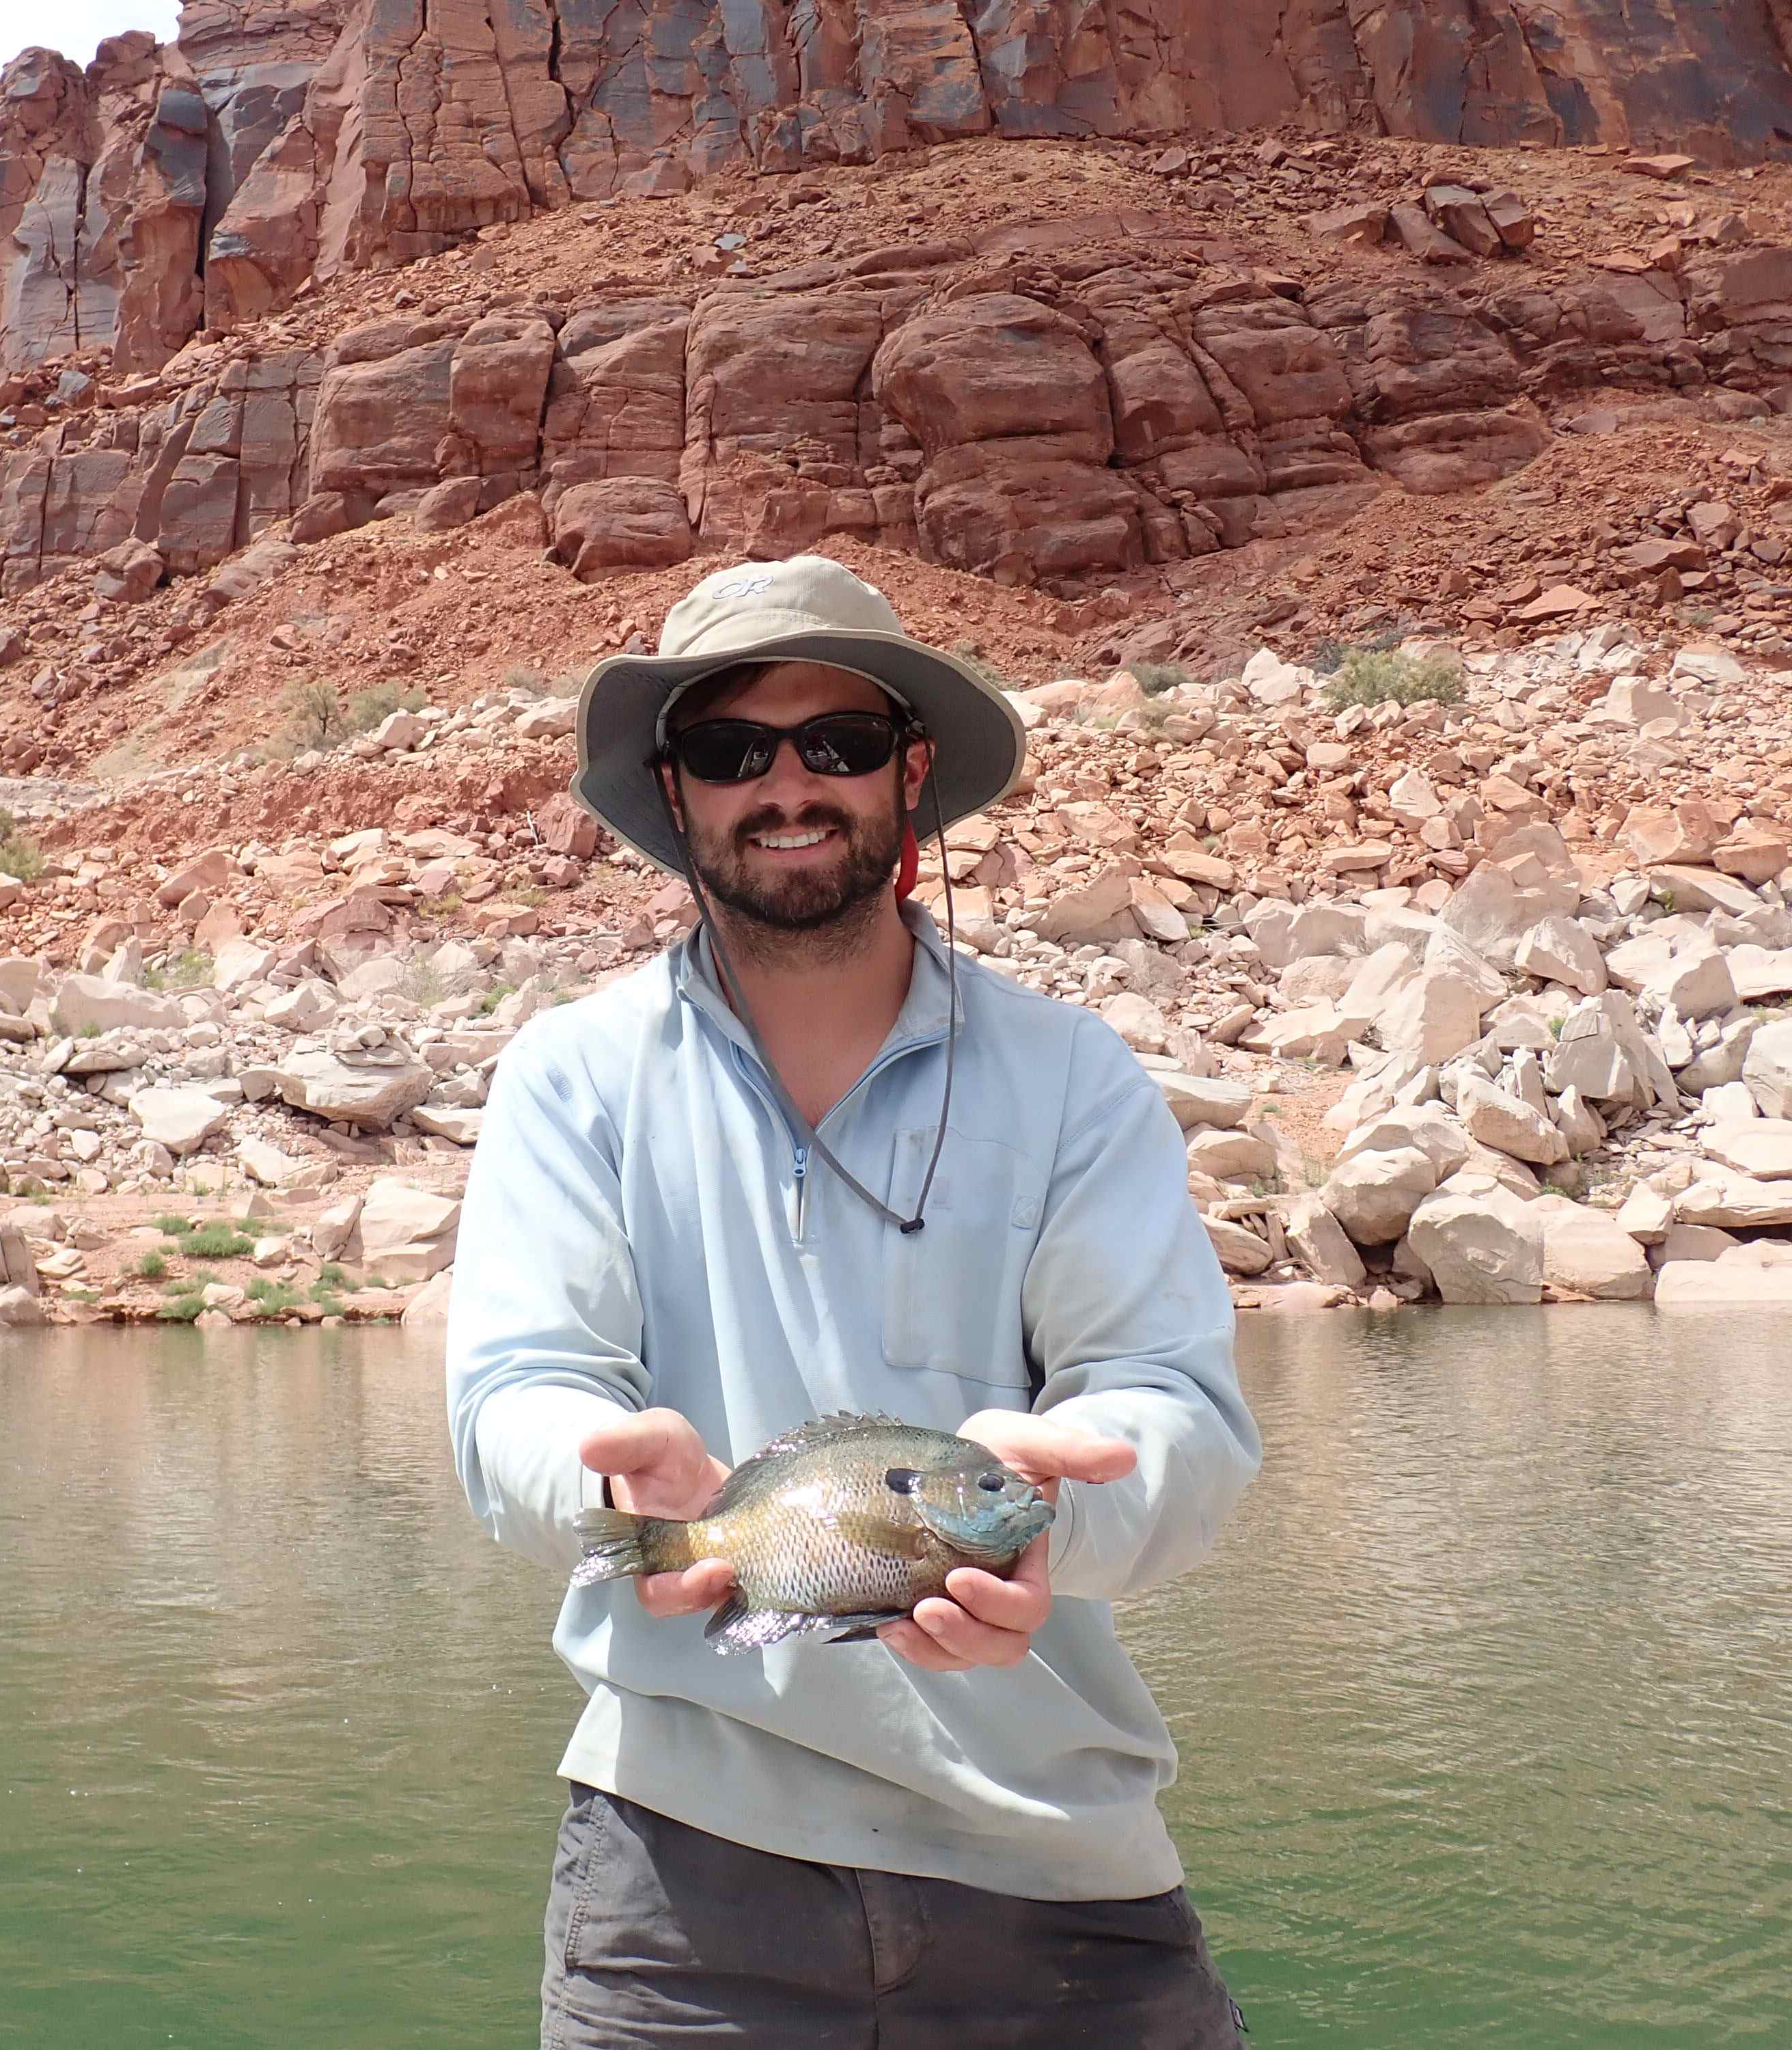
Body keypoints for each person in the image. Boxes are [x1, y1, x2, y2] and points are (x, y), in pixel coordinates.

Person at [445, 556, 1263, 2046]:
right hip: (677, 1901)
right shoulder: (571, 1076)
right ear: (674, 791)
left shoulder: (1071, 1076)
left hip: (1060, 1888)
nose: (784, 785)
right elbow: (514, 1390)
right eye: (728, 749)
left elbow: (1176, 1414)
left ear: (909, 769)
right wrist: (608, 1486)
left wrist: (1057, 1518)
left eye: (833, 742)